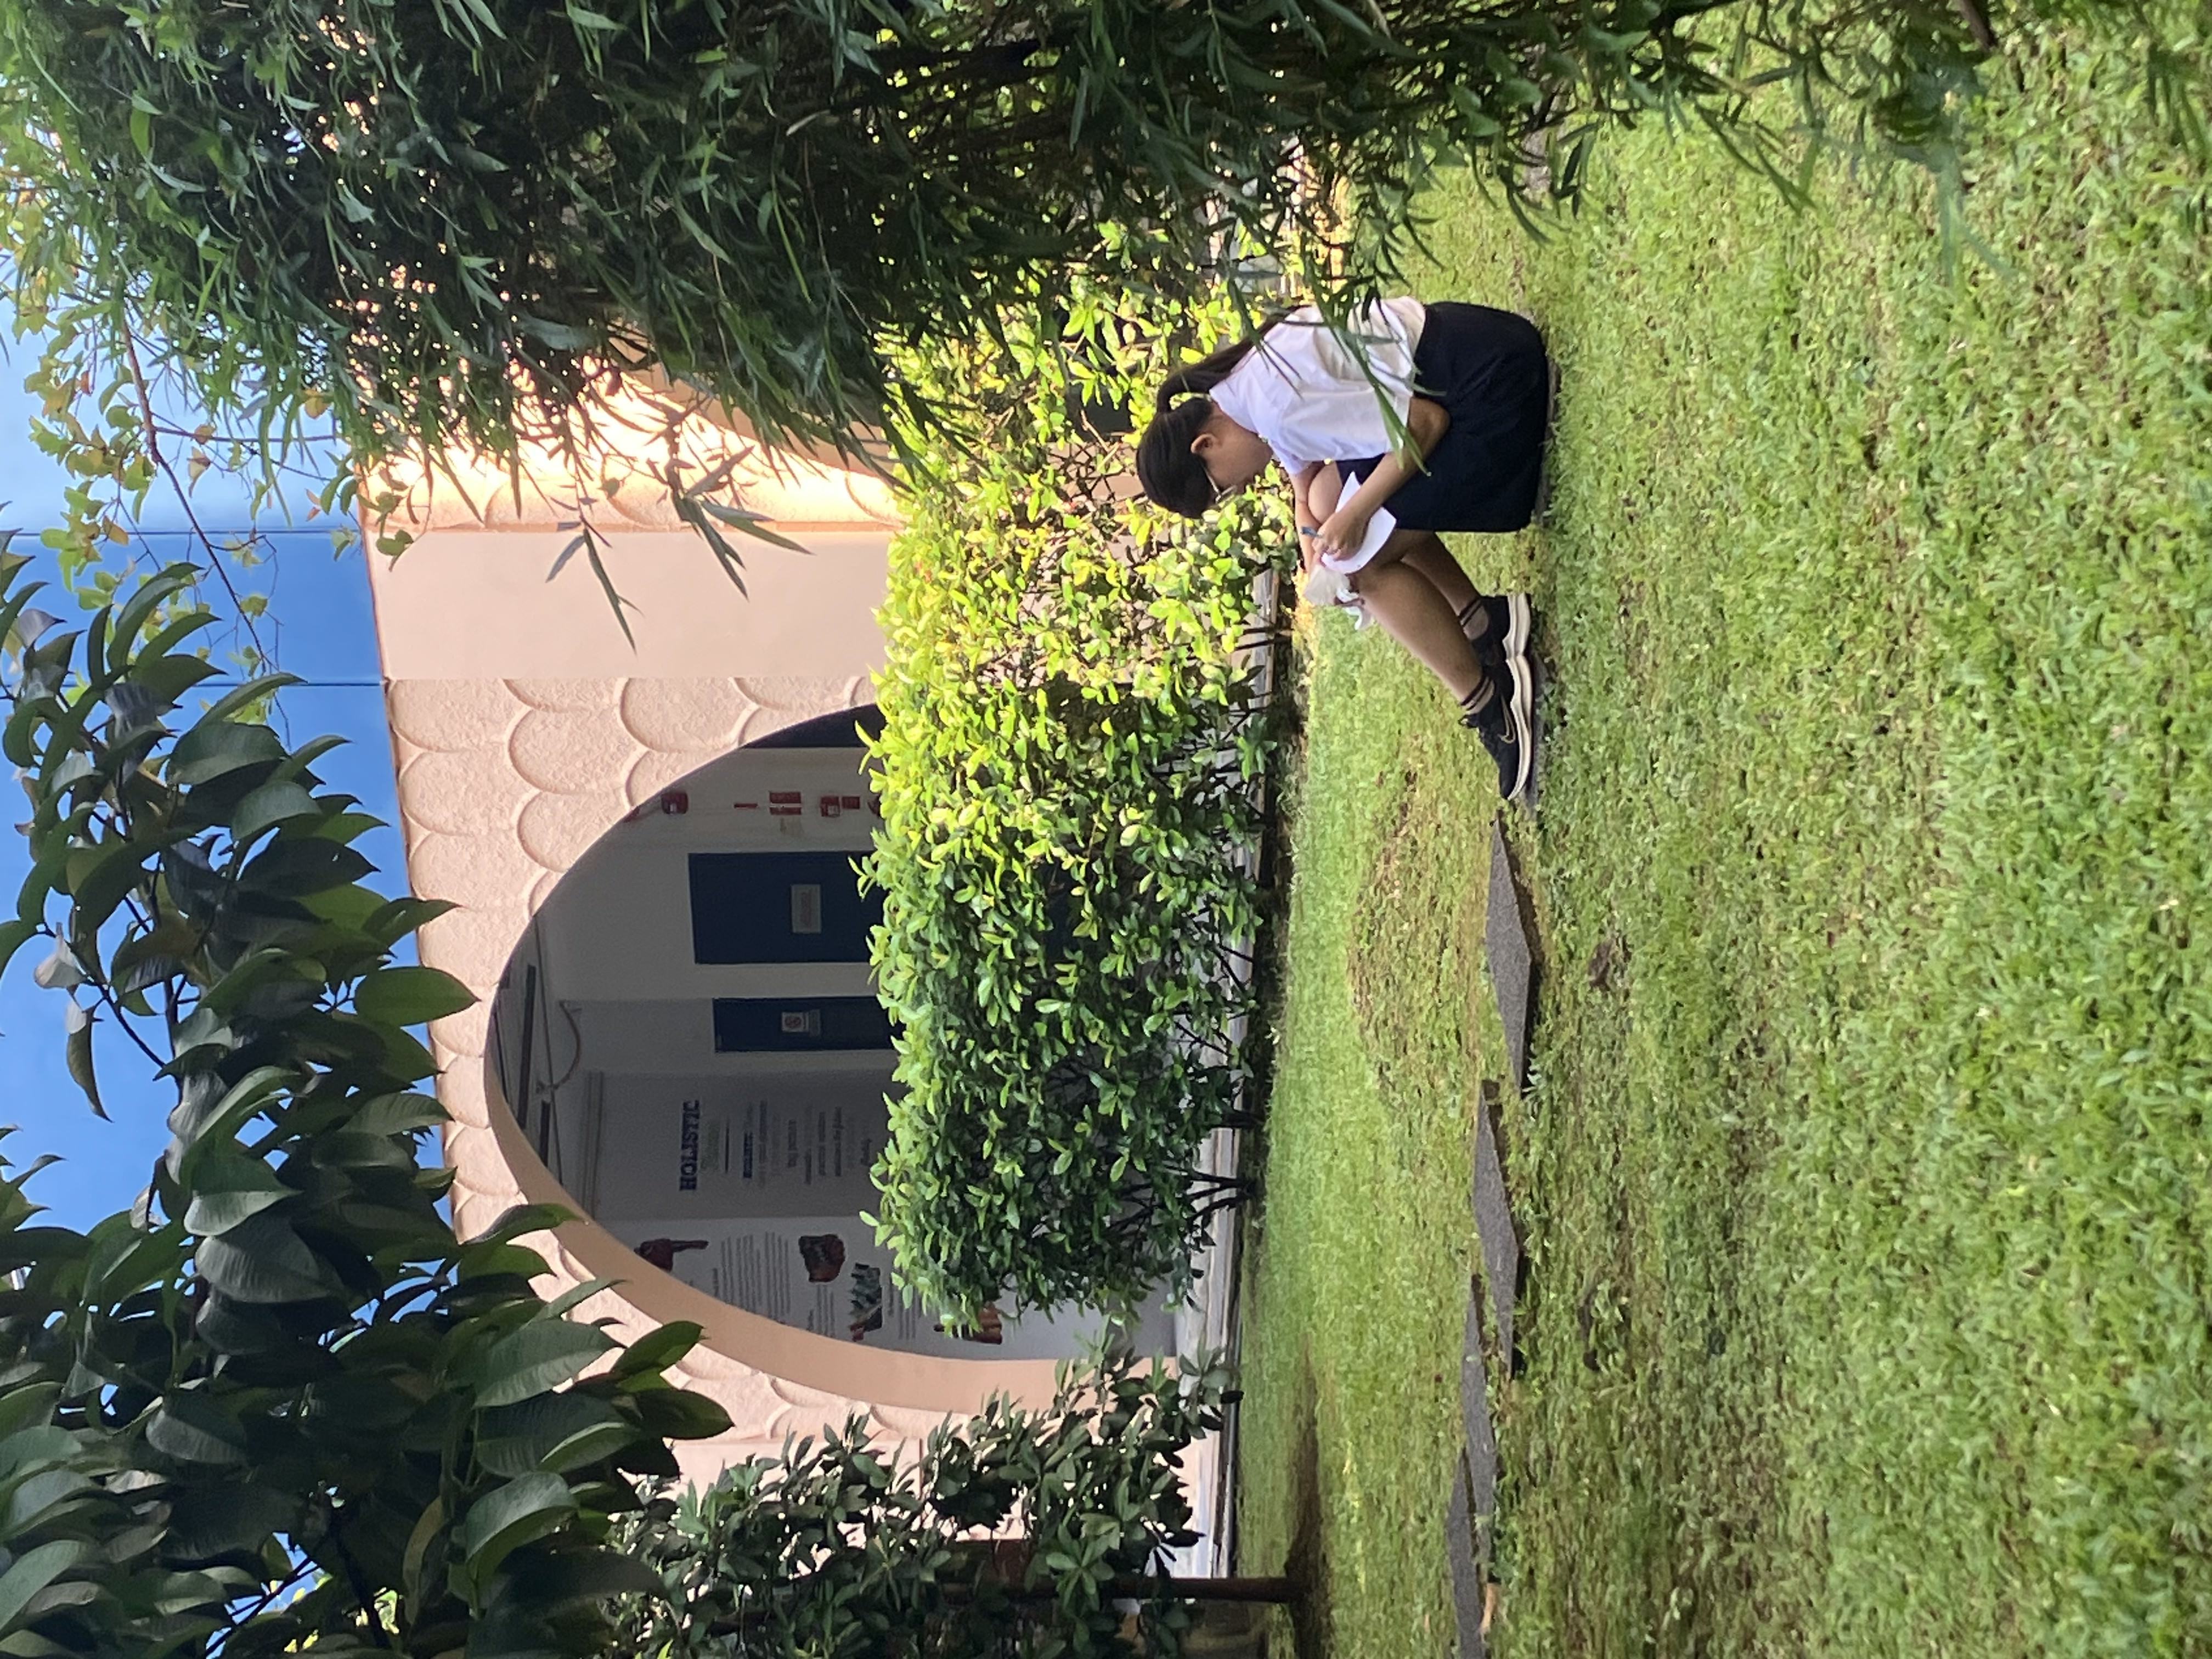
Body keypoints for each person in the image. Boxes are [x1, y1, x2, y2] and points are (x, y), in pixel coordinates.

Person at [1135, 297, 1553, 802]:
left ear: (1205, 445)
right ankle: (1485, 621)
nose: (1238, 490)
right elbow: (1305, 484)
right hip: (1483, 348)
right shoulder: (1243, 389)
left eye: (1221, 489)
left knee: (1360, 567)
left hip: (1496, 393)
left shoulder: (1276, 409)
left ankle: (1491, 701)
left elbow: (1422, 424)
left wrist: (1351, 522)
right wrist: (1315, 541)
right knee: (1327, 499)